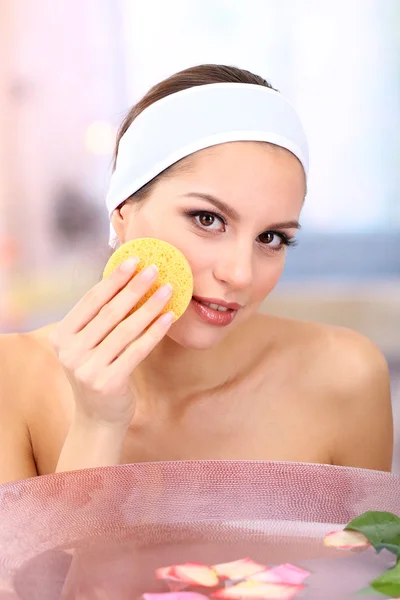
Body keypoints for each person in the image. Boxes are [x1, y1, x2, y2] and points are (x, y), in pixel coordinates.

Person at [0, 64, 393, 484]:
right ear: (122, 212)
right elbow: (41, 555)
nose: (240, 274)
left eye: (272, 237)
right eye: (207, 218)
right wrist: (96, 425)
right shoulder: (14, 379)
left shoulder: (345, 376)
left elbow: (371, 550)